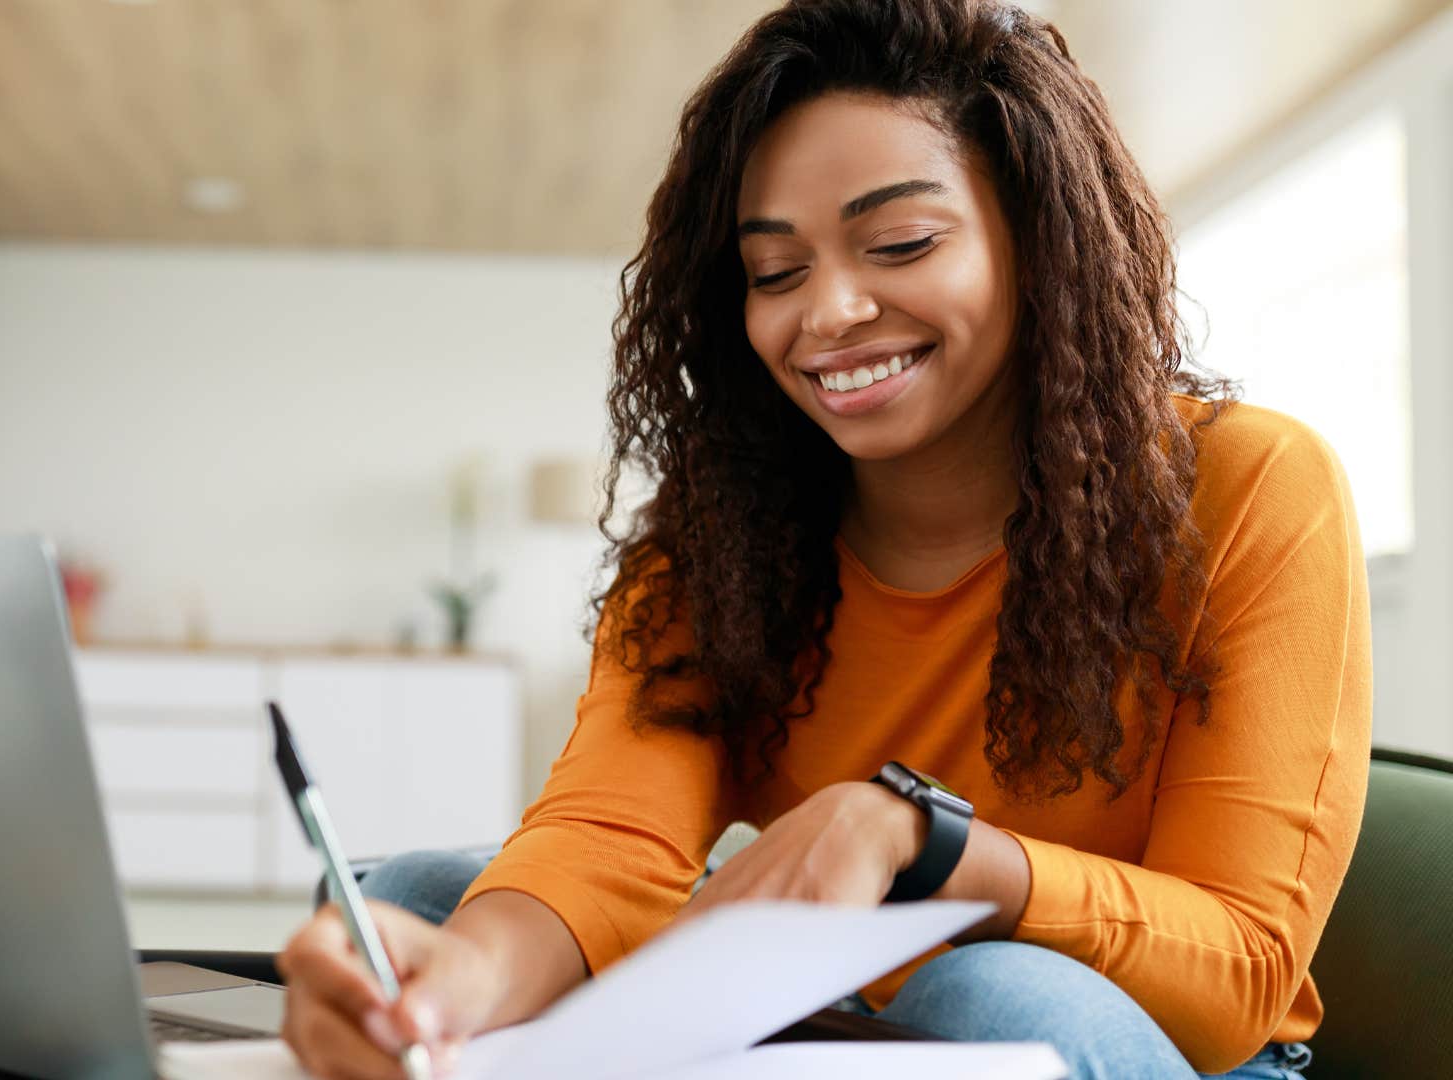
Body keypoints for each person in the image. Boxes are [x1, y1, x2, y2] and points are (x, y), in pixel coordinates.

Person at [275, 2, 1370, 1077]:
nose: (830, 313)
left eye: (899, 241)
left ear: (1038, 241)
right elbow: (610, 837)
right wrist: (453, 984)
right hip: (848, 1023)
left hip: (1153, 1043)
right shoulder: (723, 539)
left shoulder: (1253, 486)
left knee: (987, 992)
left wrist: (923, 843)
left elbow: (1243, 975)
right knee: (419, 899)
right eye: (776, 272)